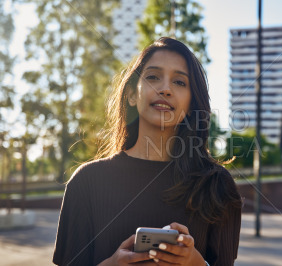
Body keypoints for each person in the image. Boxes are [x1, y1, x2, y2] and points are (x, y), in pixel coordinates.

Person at [53, 37, 242, 266]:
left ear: (192, 103)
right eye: (153, 77)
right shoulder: (85, 182)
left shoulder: (218, 185)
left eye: (180, 82)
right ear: (132, 94)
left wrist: (196, 264)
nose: (165, 89)